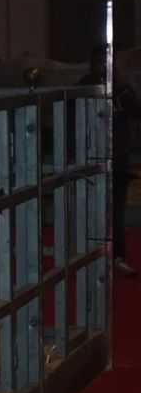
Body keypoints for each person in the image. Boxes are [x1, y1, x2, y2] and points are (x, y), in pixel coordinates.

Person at [84, 49, 138, 277]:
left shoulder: (123, 88)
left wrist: (121, 94)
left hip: (118, 156)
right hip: (92, 158)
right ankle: (91, 258)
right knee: (90, 210)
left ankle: (117, 257)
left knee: (116, 212)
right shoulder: (85, 87)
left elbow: (135, 111)